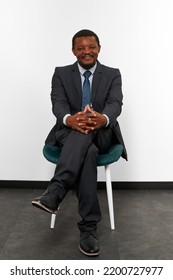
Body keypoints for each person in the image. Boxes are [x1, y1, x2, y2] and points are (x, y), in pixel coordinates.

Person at [32, 29, 127, 257]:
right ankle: (88, 229)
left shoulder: (113, 74)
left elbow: (115, 103)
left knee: (88, 134)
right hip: (68, 131)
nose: (87, 52)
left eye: (91, 47)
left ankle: (56, 191)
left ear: (99, 48)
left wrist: (101, 118)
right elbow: (58, 103)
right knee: (88, 151)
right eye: (81, 48)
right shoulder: (61, 73)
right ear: (73, 51)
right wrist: (70, 119)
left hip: (102, 132)